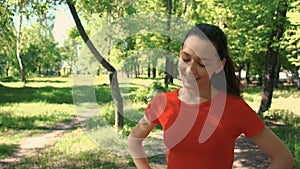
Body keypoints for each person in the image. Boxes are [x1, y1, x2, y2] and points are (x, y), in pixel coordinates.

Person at [128, 23, 294, 169]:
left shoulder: (234, 108)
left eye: (202, 63)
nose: (190, 69)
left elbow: (283, 158)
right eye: (186, 58)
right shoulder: (164, 103)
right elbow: (134, 140)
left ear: (219, 65)